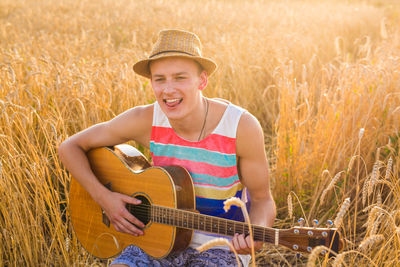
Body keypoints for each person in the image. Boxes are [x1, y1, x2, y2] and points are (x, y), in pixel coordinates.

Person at [58, 29, 276, 267]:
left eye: (180, 77)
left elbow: (262, 199)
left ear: (202, 80)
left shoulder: (240, 127)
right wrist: (104, 198)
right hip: (156, 238)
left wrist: (257, 232)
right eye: (159, 79)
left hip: (221, 246)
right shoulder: (146, 119)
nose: (168, 89)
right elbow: (70, 147)